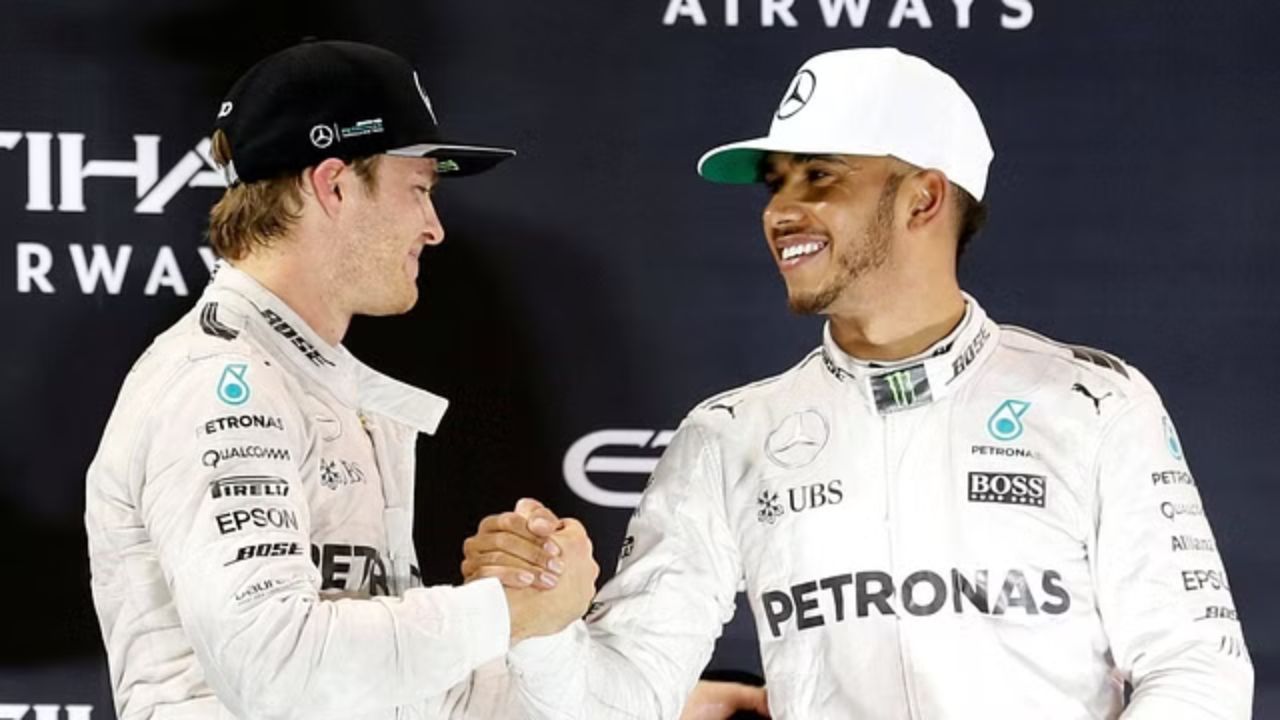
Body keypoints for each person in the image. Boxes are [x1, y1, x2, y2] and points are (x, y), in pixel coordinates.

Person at [464, 48, 1254, 718]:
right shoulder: (731, 433)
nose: (781, 210)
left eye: (819, 175)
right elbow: (620, 697)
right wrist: (543, 627)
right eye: (775, 181)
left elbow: (1197, 668)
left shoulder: (1093, 403)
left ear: (925, 196)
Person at [83, 40, 602, 720]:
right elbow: (277, 668)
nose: (434, 227)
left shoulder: (313, 387)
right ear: (332, 185)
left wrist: (546, 626)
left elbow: (394, 693)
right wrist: (508, 610)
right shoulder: (218, 383)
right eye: (418, 190)